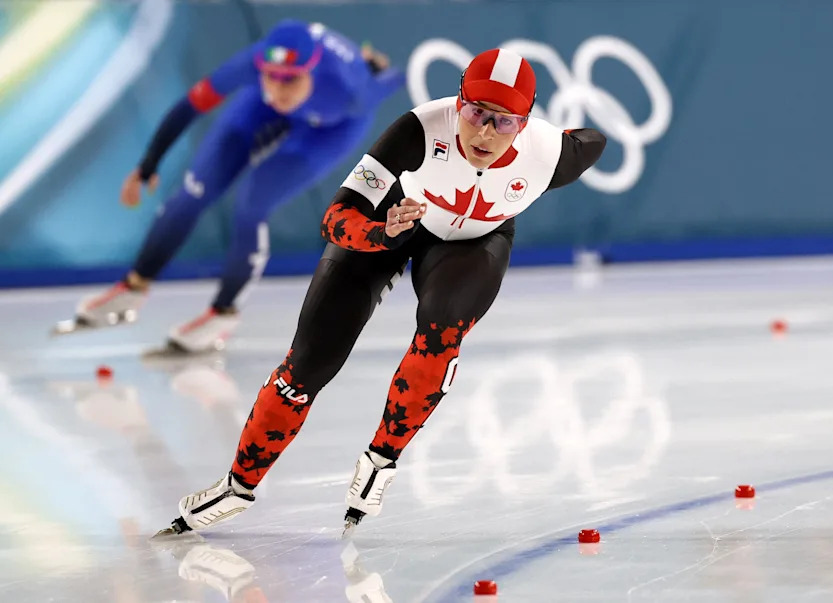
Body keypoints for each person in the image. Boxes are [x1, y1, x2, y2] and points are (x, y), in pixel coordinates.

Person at [158, 48, 606, 536]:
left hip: (475, 243)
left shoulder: (553, 154)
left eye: (503, 122)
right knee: (308, 362)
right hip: (393, 223)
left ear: (524, 124)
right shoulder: (418, 130)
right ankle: (237, 485)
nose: (484, 132)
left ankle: (381, 459)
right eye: (477, 113)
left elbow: (593, 139)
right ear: (458, 104)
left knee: (443, 327)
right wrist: (380, 234)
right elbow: (336, 216)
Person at [59, 20, 404, 354]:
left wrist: (375, 68)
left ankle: (223, 314)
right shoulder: (251, 66)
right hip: (259, 108)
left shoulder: (351, 86)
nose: (279, 89)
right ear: (261, 67)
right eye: (272, 77)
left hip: (328, 130)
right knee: (195, 188)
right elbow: (189, 106)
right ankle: (134, 286)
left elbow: (396, 78)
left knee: (252, 205)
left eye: (290, 80)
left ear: (312, 71)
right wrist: (149, 164)